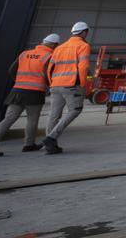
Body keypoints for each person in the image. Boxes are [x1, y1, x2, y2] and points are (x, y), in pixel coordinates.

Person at [0, 34, 62, 155]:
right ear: (54, 45)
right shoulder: (49, 56)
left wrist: (20, 81)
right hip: (35, 93)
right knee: (32, 120)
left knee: (8, 119)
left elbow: (11, 70)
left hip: (17, 91)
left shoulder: (24, 54)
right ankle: (29, 145)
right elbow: (49, 75)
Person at [43, 22, 92, 154]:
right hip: (71, 85)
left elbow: (49, 68)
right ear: (84, 32)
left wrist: (51, 82)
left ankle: (50, 145)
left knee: (53, 114)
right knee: (75, 110)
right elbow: (83, 67)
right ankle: (51, 137)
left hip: (55, 85)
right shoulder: (83, 46)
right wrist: (83, 85)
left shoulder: (60, 47)